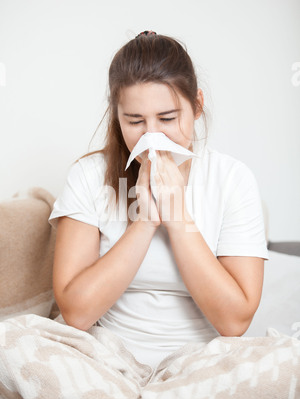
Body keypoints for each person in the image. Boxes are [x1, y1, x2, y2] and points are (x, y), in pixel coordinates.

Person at [49, 31, 269, 370]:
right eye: (135, 121)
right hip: (106, 362)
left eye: (167, 118)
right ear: (116, 115)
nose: (151, 136)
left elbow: (235, 322)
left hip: (202, 367)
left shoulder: (232, 179)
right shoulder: (88, 175)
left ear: (197, 105)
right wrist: (145, 222)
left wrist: (178, 217)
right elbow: (76, 313)